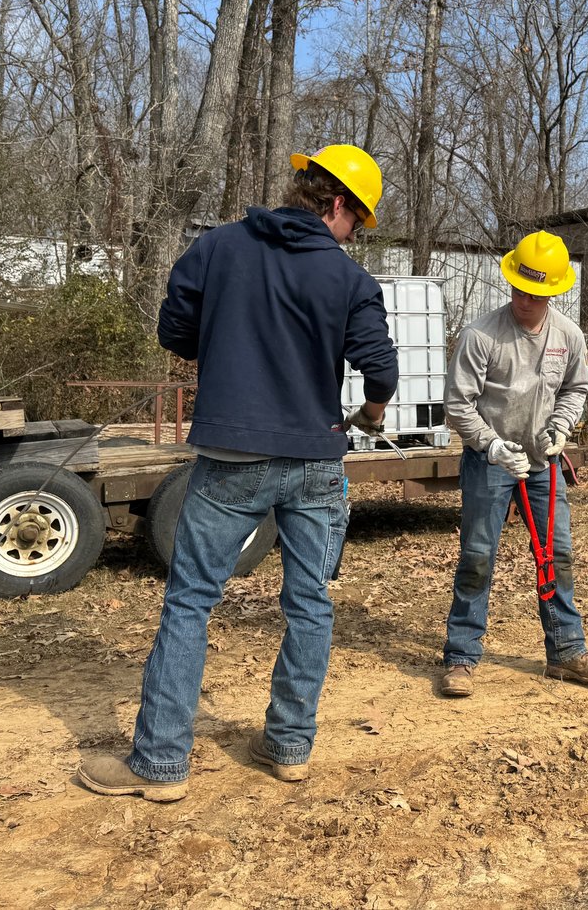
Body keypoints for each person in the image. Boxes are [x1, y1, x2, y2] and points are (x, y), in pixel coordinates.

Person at [77, 144, 399, 801]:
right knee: (308, 604)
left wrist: (225, 338)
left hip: (231, 461)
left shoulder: (217, 248)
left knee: (192, 600)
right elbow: (382, 369)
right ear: (336, 204)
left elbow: (176, 330)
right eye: (356, 223)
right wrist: (369, 413)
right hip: (314, 459)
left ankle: (160, 765)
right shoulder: (348, 281)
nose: (352, 237)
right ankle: (287, 747)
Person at [440, 230, 588, 697]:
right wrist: (491, 445)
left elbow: (576, 389)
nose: (525, 298)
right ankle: (461, 656)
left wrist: (561, 428)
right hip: (490, 463)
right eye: (519, 287)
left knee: (555, 554)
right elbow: (458, 404)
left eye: (536, 292)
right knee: (478, 556)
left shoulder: (568, 336)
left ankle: (565, 652)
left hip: (544, 464)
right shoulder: (482, 335)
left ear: (553, 291)